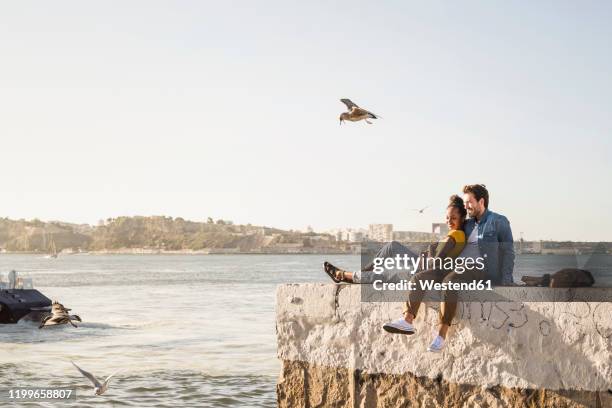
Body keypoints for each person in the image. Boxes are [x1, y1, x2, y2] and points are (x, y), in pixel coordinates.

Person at [382, 184, 515, 353]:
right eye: (465, 203)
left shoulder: (498, 221)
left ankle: (441, 335)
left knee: (450, 281)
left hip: (480, 269)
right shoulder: (466, 224)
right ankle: (407, 320)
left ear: (481, 201)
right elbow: (449, 238)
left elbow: (508, 251)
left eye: (469, 202)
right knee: (419, 278)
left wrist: (506, 280)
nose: (466, 206)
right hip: (455, 266)